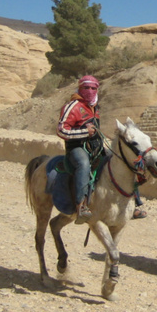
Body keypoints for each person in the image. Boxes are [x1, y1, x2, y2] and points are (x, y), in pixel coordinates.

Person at [57, 75, 103, 218]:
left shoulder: (94, 107)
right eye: (86, 88)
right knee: (83, 164)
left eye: (93, 88)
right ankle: (80, 205)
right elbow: (61, 130)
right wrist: (85, 132)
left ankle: (134, 202)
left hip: (94, 147)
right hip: (76, 148)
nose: (90, 91)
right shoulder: (72, 106)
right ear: (79, 88)